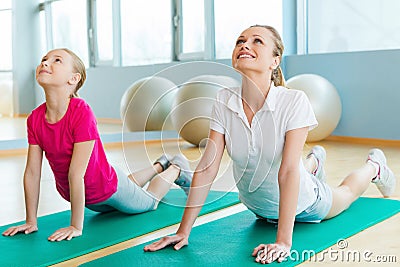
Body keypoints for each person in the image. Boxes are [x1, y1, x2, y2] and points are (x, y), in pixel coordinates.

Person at [143, 25, 396, 264]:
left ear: (274, 61)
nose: (244, 45)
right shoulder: (223, 99)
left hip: (307, 206)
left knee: (347, 193)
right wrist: (182, 232)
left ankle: (374, 167)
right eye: (240, 41)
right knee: (291, 166)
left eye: (257, 41)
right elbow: (207, 168)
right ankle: (314, 162)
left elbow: (287, 171)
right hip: (258, 209)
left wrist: (284, 242)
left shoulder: (293, 100)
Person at [2, 48, 192, 242]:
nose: (45, 63)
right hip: (93, 195)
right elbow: (32, 172)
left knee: (149, 202)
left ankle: (176, 167)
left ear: (73, 79)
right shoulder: (35, 119)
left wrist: (76, 226)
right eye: (44, 59)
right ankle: (160, 164)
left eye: (57, 60)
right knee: (129, 185)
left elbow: (76, 173)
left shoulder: (81, 111)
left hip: (107, 189)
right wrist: (30, 221)